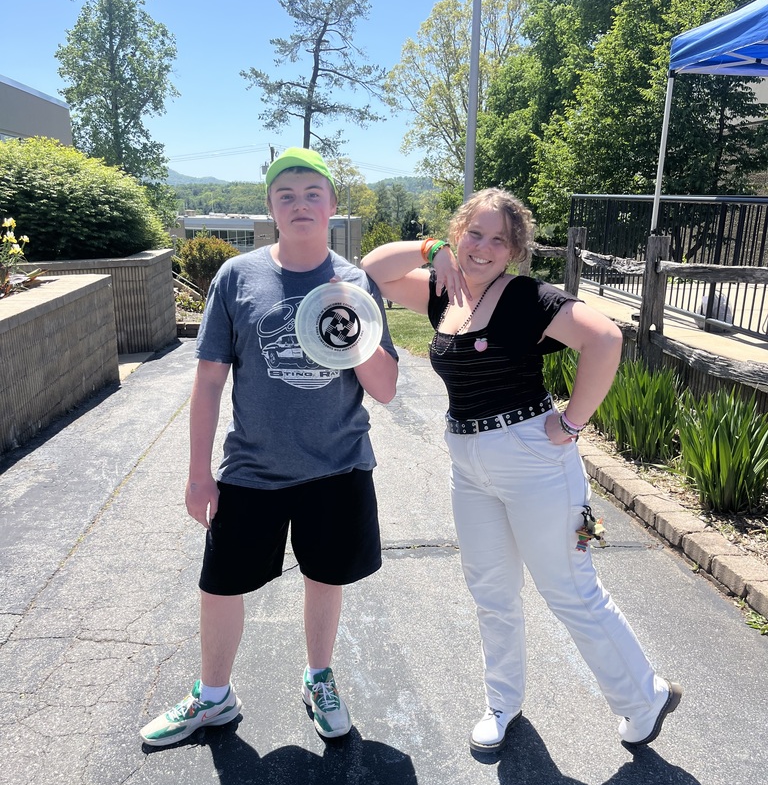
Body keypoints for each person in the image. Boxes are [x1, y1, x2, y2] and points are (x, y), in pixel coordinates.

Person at [362, 188, 681, 754]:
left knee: (570, 588)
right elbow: (374, 269)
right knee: (491, 590)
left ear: (514, 251)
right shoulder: (444, 291)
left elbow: (605, 338)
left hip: (536, 461)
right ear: (458, 234)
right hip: (467, 463)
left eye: (499, 240)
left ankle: (643, 697)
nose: (483, 248)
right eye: (474, 234)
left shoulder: (527, 297)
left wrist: (573, 422)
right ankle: (502, 702)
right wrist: (431, 249)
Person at [141, 148, 398, 747]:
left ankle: (318, 678)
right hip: (252, 467)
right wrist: (198, 473)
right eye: (287, 195)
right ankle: (213, 697)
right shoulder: (237, 277)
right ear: (270, 208)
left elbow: (385, 388)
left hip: (337, 467)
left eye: (312, 193)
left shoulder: (356, 284)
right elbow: (209, 381)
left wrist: (347, 312)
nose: (300, 204)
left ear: (332, 205)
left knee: (325, 577)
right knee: (220, 584)